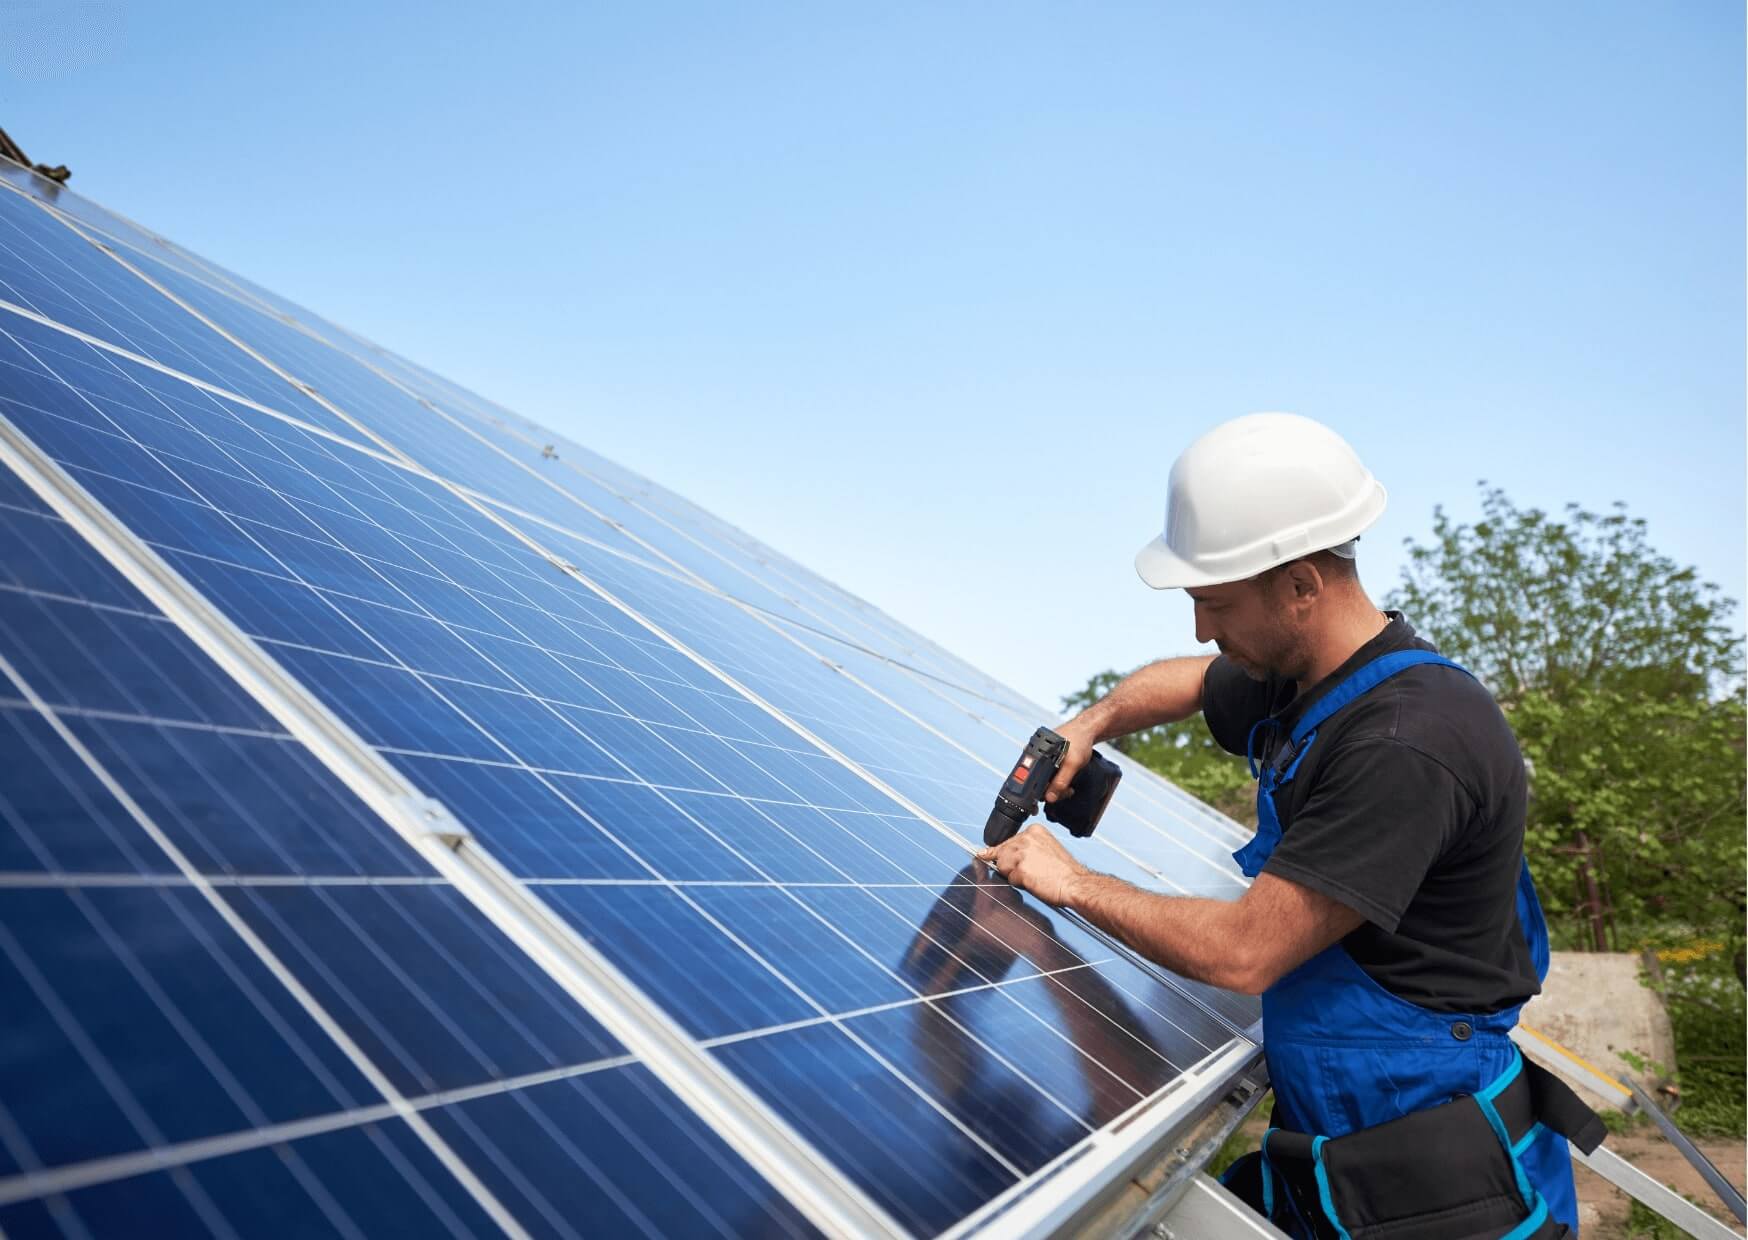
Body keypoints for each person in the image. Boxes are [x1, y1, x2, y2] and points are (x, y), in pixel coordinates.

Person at [976, 413, 1599, 1238]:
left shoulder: (1406, 739)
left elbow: (1246, 952)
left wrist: (1070, 882)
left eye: (1214, 602)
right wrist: (1091, 723)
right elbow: (1193, 681)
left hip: (1432, 1176)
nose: (1203, 627)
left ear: (1300, 585)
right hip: (1342, 1145)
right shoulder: (1311, 680)